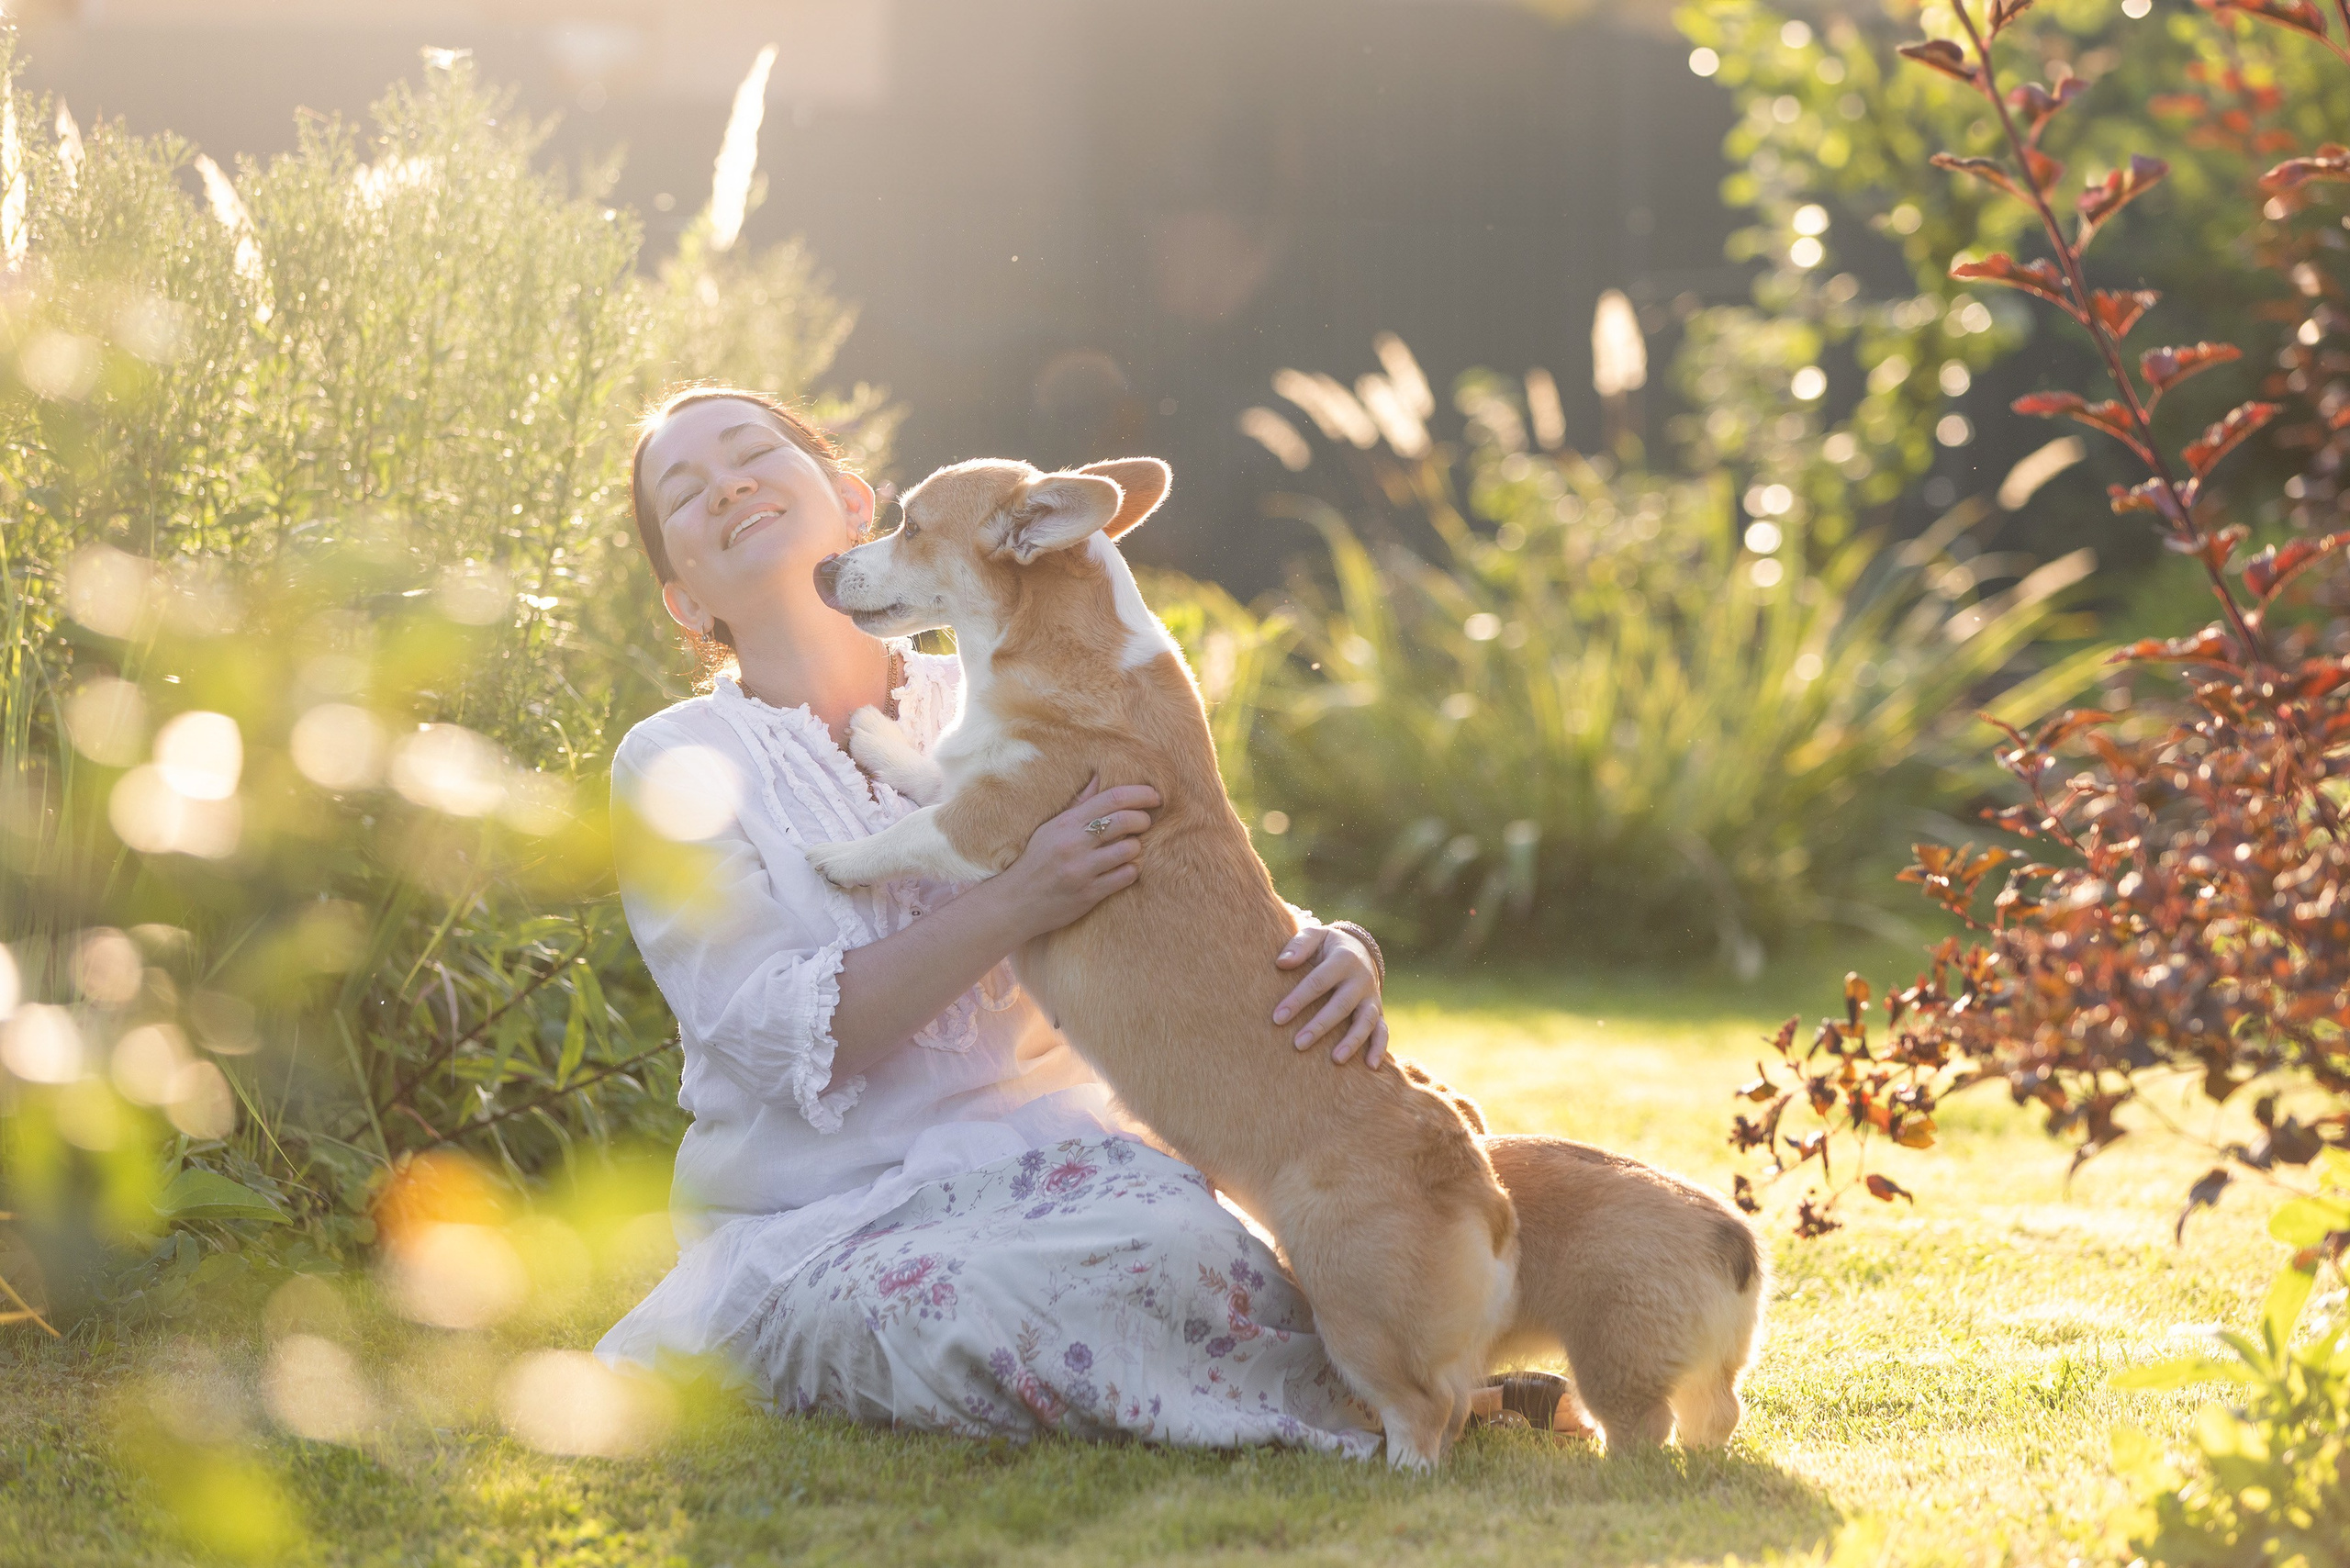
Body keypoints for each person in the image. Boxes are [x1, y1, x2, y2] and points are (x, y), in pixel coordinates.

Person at [596, 386, 1394, 1454]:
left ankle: (1378, 1375)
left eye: (749, 453)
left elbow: (1175, 866)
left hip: (1058, 1166)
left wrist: (1334, 945)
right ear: (687, 604)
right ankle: (1325, 1407)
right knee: (951, 1307)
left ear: (852, 503)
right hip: (826, 1211)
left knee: (1183, 1245)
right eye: (684, 493)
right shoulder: (673, 762)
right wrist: (1017, 896)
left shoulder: (1012, 683)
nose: (726, 483)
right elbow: (773, 1030)